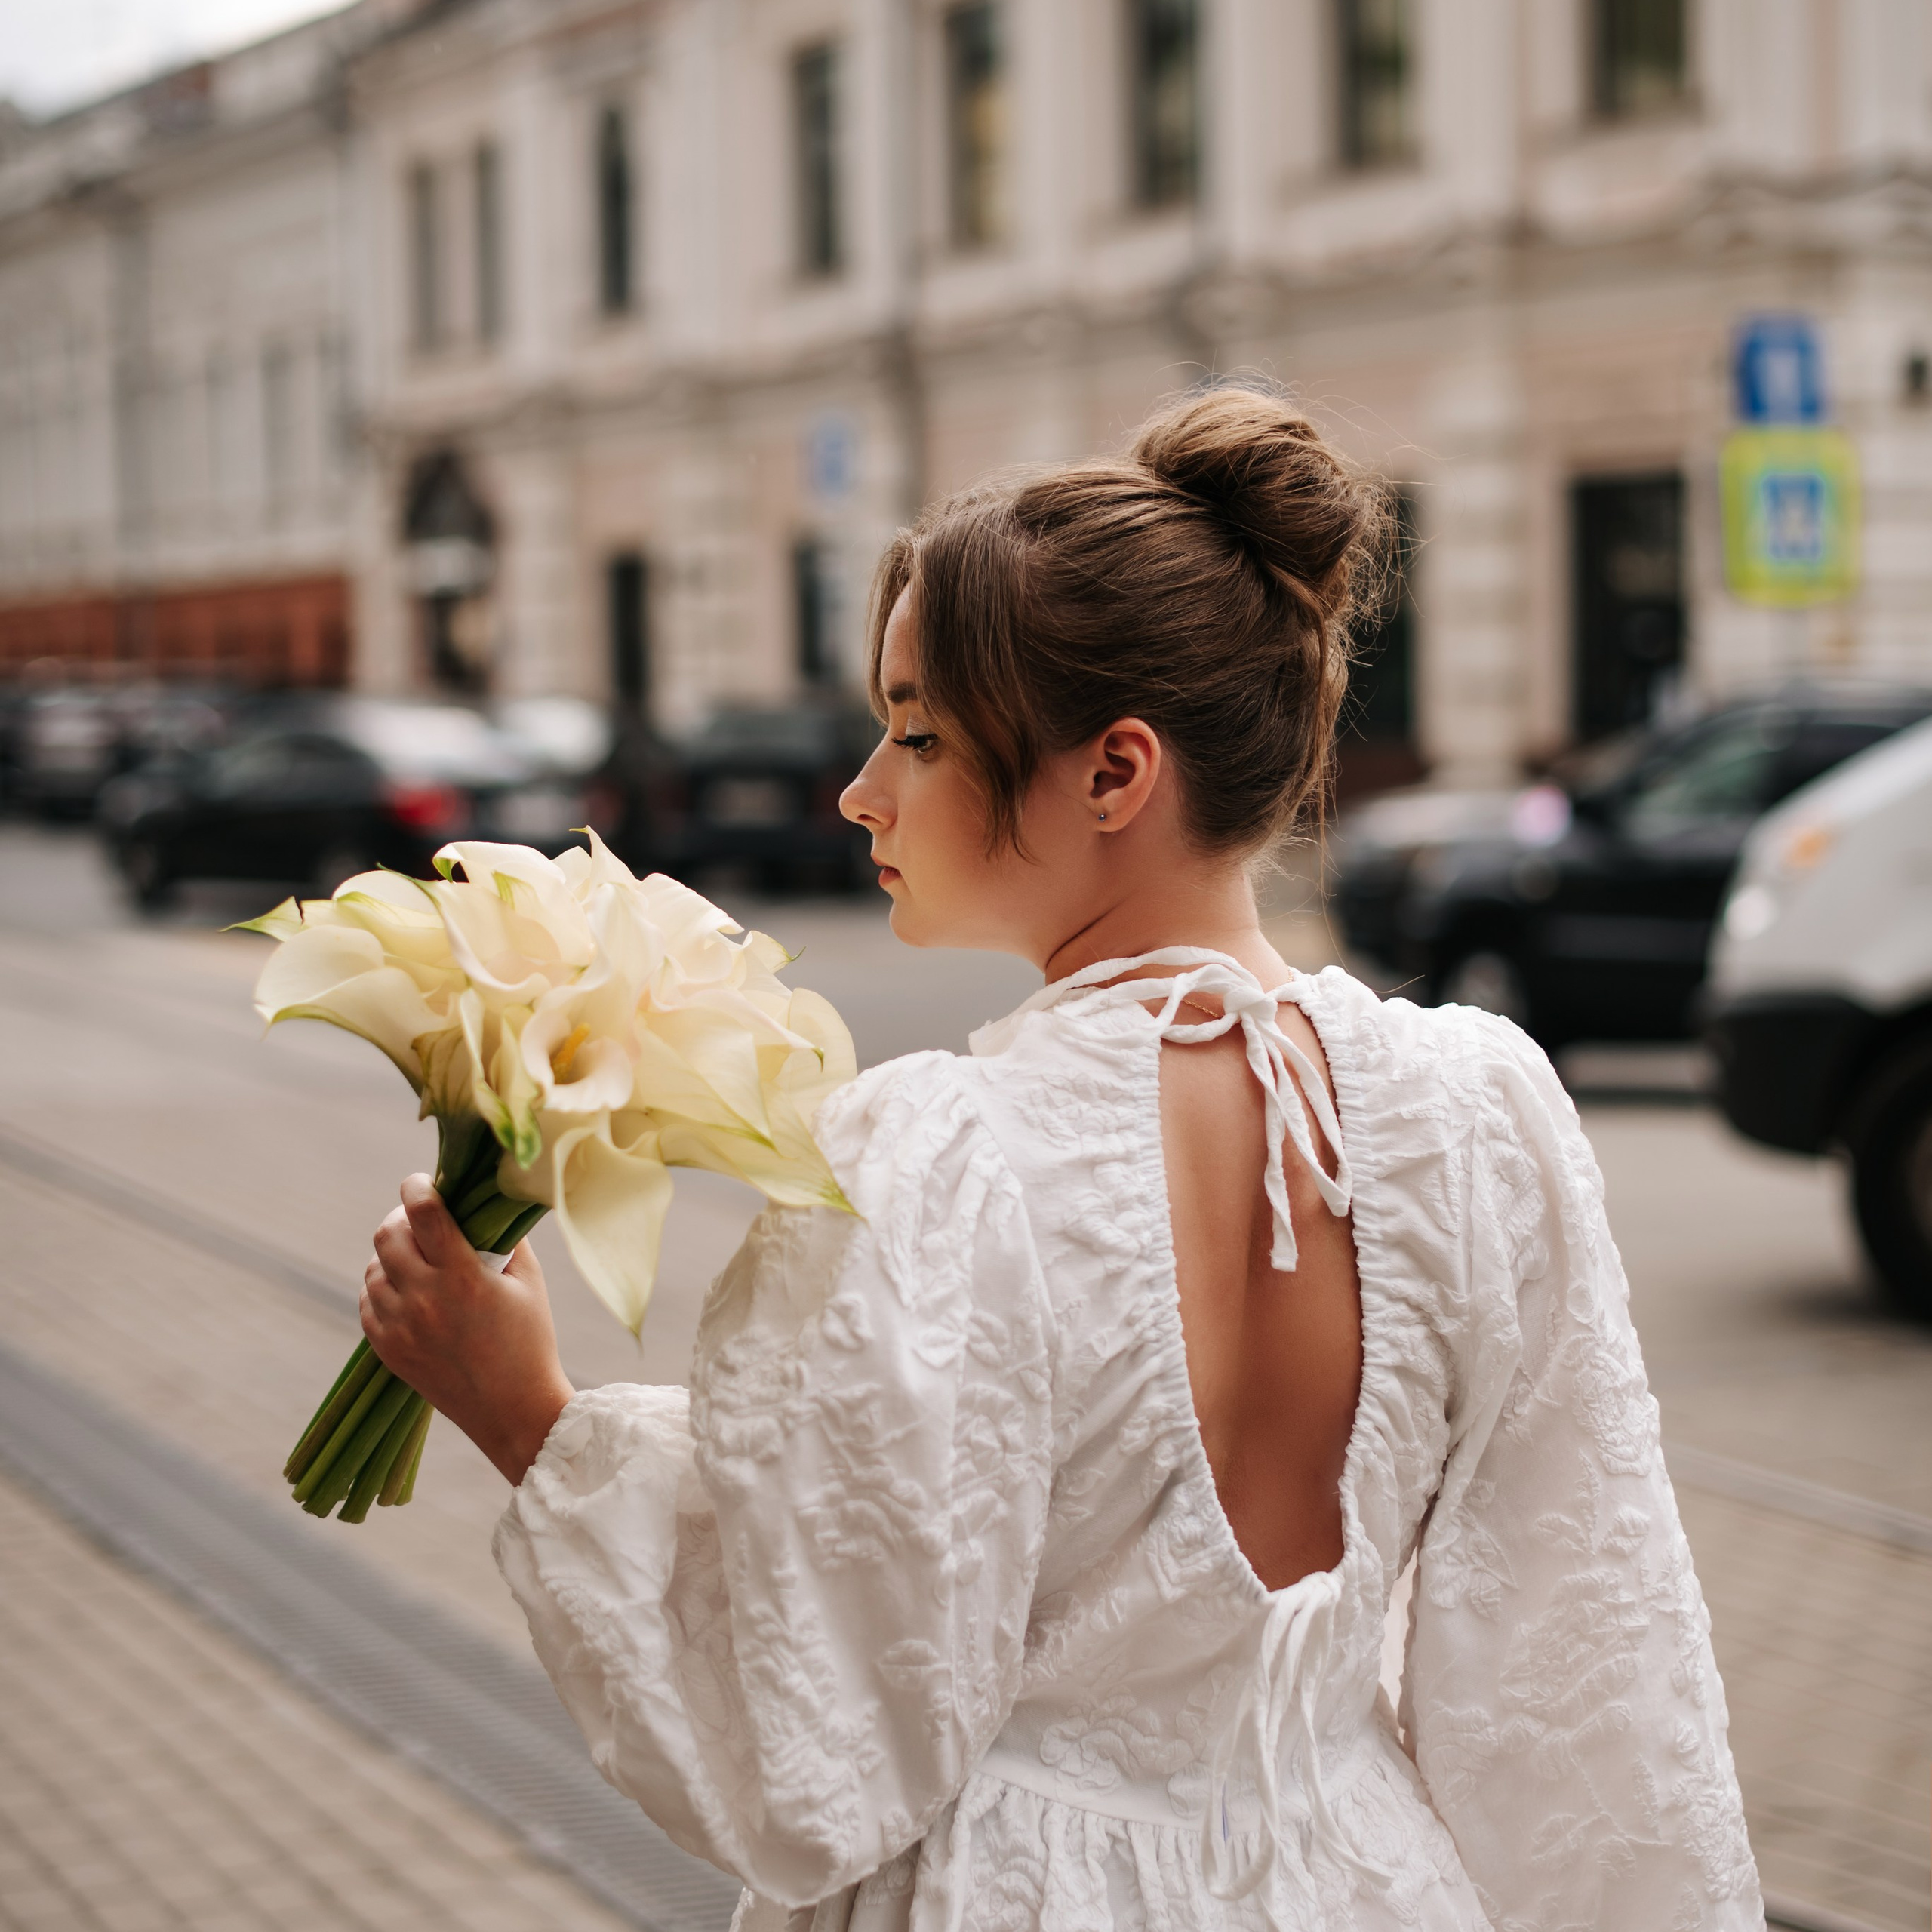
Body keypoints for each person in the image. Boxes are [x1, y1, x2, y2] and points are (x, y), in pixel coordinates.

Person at [361, 388, 1763, 1932]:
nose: (861, 788)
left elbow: (811, 1749)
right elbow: (1593, 1675)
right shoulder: (1477, 1114)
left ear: (1112, 774)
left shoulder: (937, 1156)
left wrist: (528, 1414)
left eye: (917, 732)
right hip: (1361, 1879)